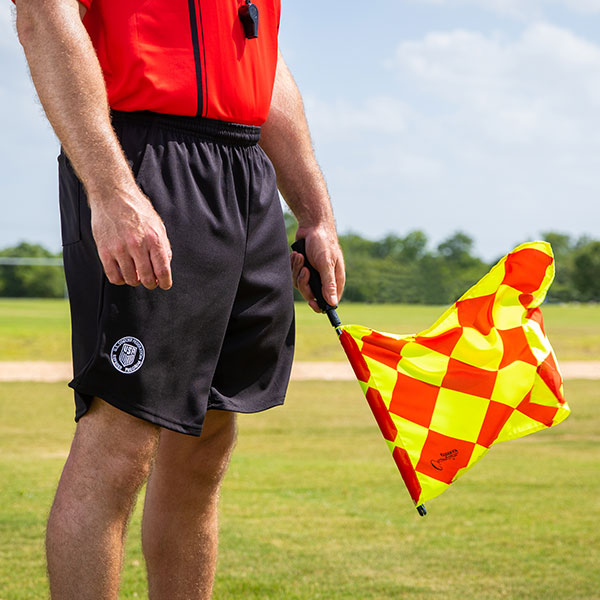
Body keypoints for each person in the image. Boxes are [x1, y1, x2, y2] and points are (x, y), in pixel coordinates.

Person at [13, 0, 345, 598]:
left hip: (244, 167)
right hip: (144, 155)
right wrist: (114, 191)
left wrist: (316, 213)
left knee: (208, 439)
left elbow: (263, 62)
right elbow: (43, 16)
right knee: (121, 440)